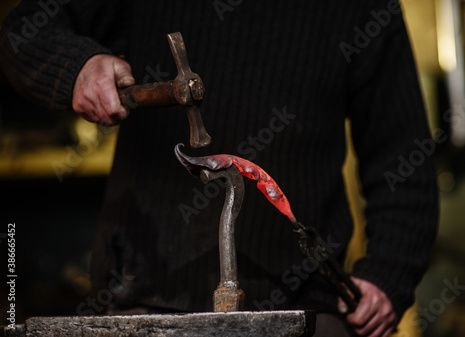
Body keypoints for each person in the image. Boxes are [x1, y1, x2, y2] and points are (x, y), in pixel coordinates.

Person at [0, 1, 439, 336]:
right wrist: (76, 65)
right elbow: (22, 33)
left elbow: (404, 156)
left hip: (304, 309)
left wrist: (388, 273)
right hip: (141, 304)